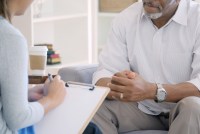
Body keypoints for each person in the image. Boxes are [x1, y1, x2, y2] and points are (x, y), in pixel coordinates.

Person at [92, 0, 200, 133]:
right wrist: (121, 85)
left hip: (185, 110)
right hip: (141, 109)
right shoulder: (126, 18)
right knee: (93, 109)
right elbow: (105, 73)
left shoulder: (197, 18)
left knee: (194, 106)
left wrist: (151, 91)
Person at [0, 0, 102, 134]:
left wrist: (24, 95)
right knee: (91, 130)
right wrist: (52, 100)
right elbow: (18, 118)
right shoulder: (9, 38)